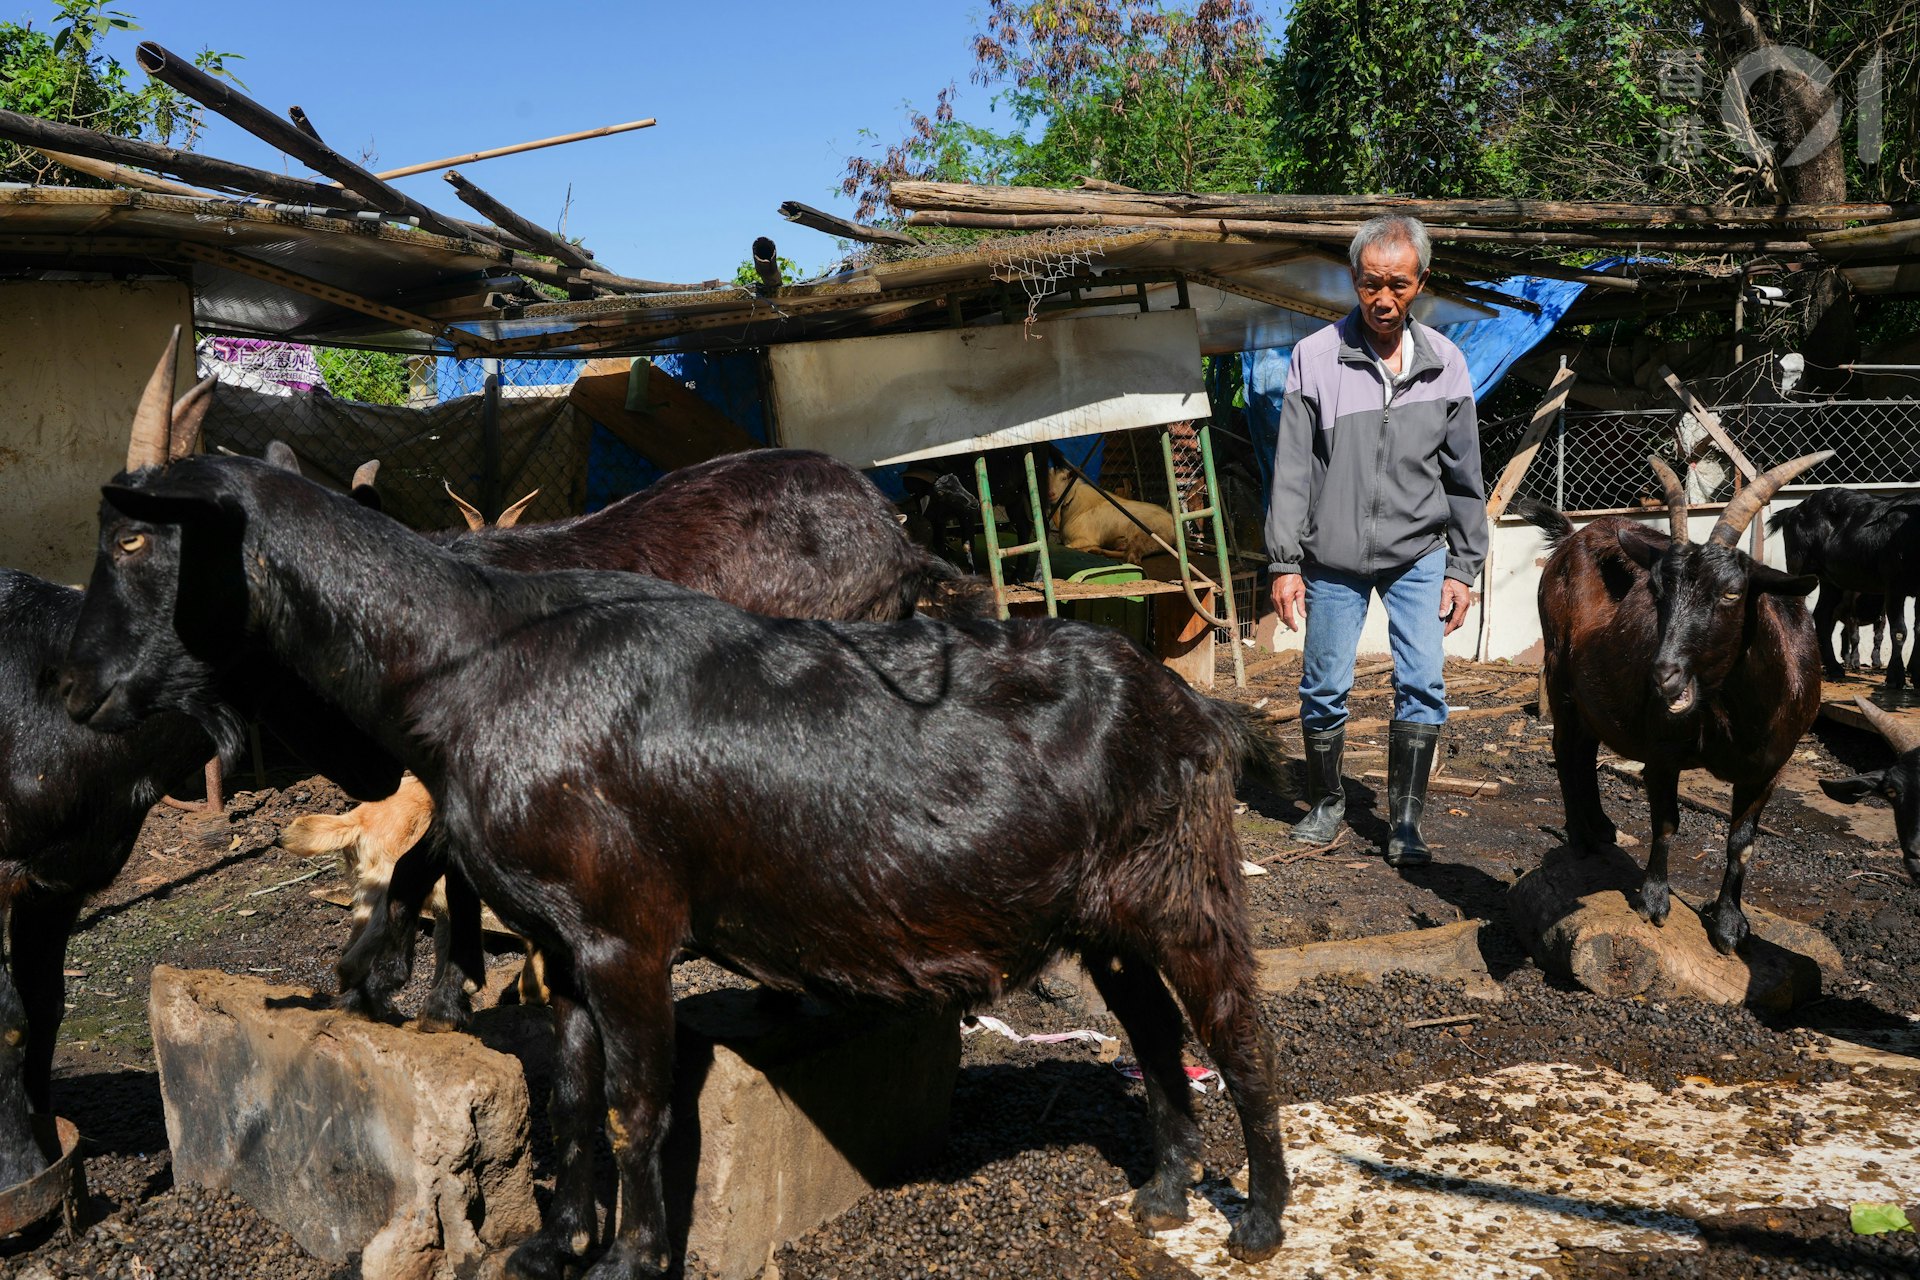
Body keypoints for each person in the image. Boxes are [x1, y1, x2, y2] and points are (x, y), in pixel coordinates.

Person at [1264, 214, 1486, 867]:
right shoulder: (1315, 358)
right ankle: (1328, 803)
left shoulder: (1447, 363)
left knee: (1422, 684)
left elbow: (1465, 477)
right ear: (1354, 281)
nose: (1382, 300)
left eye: (1397, 285)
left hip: (1420, 553)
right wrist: (1284, 562)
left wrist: (1464, 567)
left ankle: (1406, 823)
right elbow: (1293, 470)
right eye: (1369, 285)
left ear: (1419, 283)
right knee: (1323, 684)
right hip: (1332, 557)